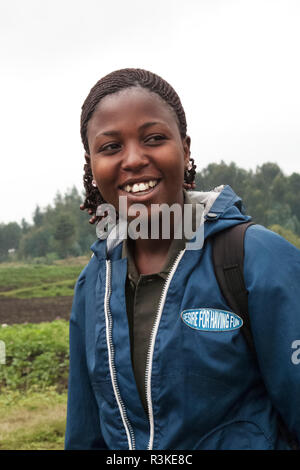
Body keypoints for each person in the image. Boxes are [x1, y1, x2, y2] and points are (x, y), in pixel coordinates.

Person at [64, 68, 300, 450]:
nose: (134, 159)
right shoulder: (93, 283)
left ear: (185, 149)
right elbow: (85, 435)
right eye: (110, 147)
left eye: (154, 139)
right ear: (91, 165)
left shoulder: (257, 259)